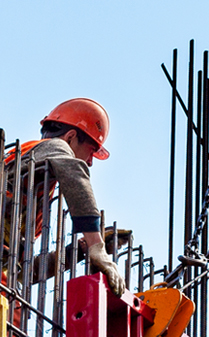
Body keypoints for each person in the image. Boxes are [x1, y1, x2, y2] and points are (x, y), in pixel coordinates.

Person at [2, 97, 125, 297]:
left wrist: (78, 251)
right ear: (70, 137)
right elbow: (76, 174)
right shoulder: (54, 147)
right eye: (91, 151)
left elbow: (24, 274)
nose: (90, 162)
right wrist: (96, 246)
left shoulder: (34, 187)